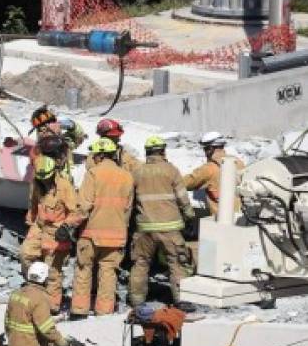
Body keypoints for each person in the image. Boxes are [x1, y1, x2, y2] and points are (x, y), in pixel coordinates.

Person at [129, 136, 196, 308]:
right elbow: (182, 196)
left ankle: (137, 301)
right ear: (163, 151)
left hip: (145, 228)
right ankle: (183, 300)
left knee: (140, 263)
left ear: (147, 152)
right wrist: (189, 216)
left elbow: (129, 201)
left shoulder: (137, 172)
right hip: (170, 228)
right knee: (177, 263)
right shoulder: (171, 170)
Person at [71, 138, 134, 318]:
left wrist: (70, 225)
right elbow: (127, 210)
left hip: (91, 234)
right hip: (116, 236)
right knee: (108, 273)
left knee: (84, 270)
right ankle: (104, 312)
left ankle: (79, 311)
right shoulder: (127, 176)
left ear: (99, 155)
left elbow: (84, 206)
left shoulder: (93, 173)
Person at [20, 156, 80, 312]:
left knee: (52, 270)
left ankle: (51, 307)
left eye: (47, 179)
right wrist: (29, 224)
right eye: (42, 179)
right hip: (39, 227)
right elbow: (33, 205)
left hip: (56, 231)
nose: (45, 182)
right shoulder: (37, 183)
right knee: (25, 254)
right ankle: (35, 292)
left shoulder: (64, 186)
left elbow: (76, 211)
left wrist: (67, 226)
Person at [183, 131, 245, 216]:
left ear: (210, 149)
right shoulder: (238, 162)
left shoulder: (208, 168)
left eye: (205, 149)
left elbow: (186, 183)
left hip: (220, 220)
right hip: (240, 216)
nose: (204, 152)